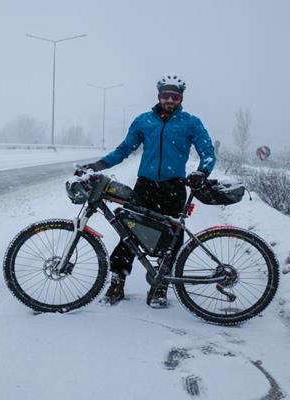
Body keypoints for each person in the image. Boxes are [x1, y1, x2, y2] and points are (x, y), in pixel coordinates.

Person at [82, 73, 216, 308]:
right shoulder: (144, 121)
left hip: (173, 187)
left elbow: (208, 152)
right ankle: (117, 280)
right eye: (166, 95)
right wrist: (98, 165)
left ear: (181, 98)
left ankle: (160, 285)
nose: (170, 100)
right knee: (129, 231)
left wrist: (202, 172)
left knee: (172, 237)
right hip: (145, 186)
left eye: (174, 96)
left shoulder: (190, 122)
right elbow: (124, 149)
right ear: (158, 96)